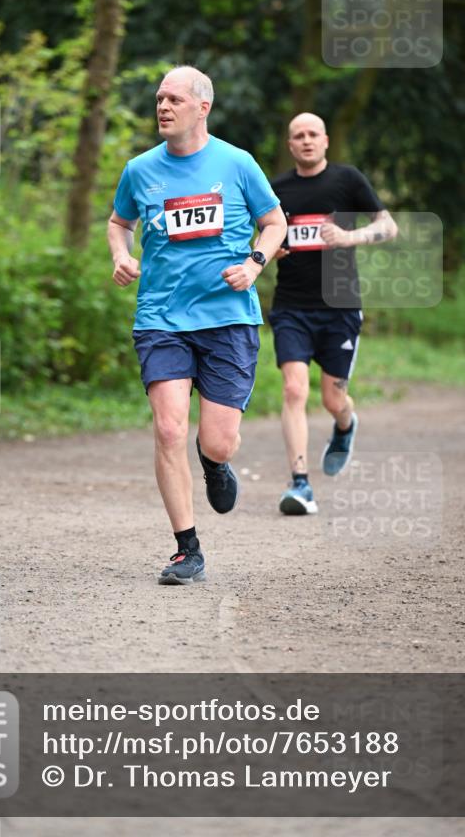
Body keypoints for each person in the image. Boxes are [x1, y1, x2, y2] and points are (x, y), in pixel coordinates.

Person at [108, 66, 287, 584]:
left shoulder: (237, 163)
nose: (163, 107)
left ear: (202, 107)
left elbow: (275, 223)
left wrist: (254, 263)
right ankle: (187, 550)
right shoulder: (140, 169)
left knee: (219, 440)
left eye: (174, 99)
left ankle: (214, 463)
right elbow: (119, 223)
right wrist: (121, 254)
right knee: (168, 429)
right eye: (159, 99)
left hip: (227, 318)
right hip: (161, 317)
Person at [269, 112, 397, 515]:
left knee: (332, 398)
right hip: (291, 306)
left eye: (313, 134)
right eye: (298, 136)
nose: (306, 140)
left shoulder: (347, 180)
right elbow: (263, 234)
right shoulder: (276, 190)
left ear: (325, 140)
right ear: (290, 145)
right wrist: (271, 249)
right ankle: (300, 483)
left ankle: (345, 424)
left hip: (340, 308)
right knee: (294, 390)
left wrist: (348, 236)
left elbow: (388, 226)